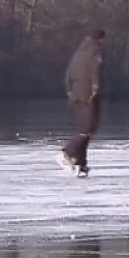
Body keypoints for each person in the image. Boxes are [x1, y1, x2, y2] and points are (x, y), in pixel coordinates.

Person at [57, 29, 105, 177]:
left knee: (85, 128)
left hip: (76, 95)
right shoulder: (95, 51)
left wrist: (69, 91)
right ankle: (68, 152)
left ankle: (80, 162)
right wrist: (96, 88)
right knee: (88, 127)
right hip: (88, 94)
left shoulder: (78, 53)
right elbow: (96, 70)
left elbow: (68, 73)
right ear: (100, 39)